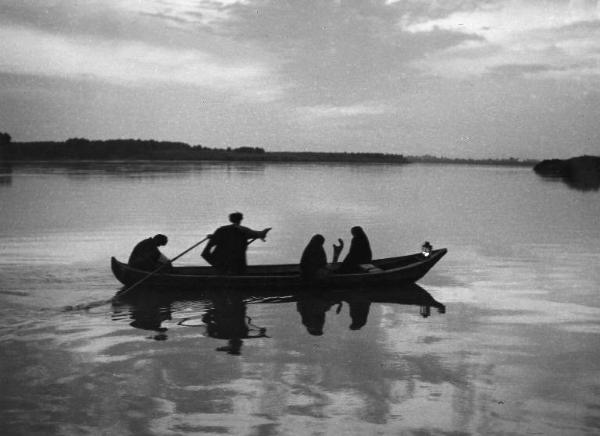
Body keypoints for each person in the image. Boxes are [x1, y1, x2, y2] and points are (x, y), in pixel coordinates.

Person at [202, 212, 271, 274]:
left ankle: (223, 269)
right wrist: (263, 232)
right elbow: (258, 234)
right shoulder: (244, 230)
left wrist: (217, 265)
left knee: (207, 254)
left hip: (222, 263)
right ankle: (226, 270)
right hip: (238, 264)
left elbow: (205, 253)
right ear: (241, 219)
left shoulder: (221, 230)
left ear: (230, 219)